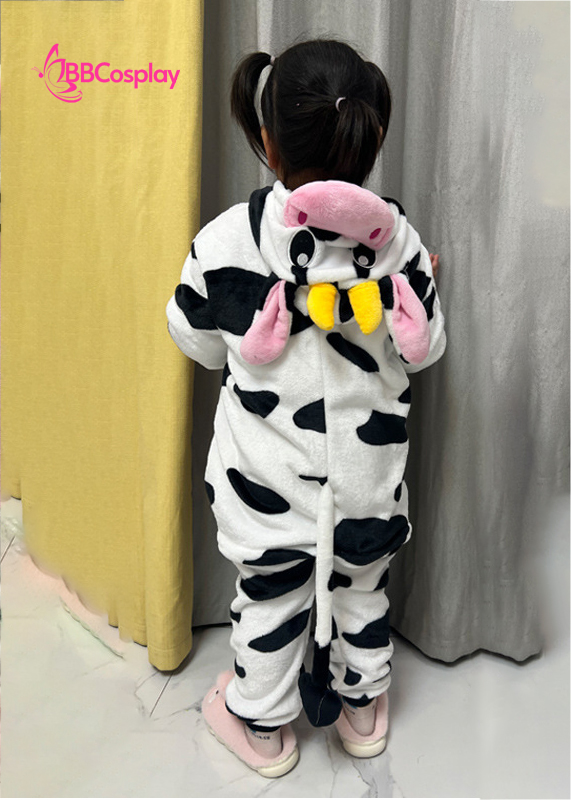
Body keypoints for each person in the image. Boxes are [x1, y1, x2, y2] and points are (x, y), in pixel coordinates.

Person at [166, 38, 446, 779]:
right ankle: (363, 714)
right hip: (366, 476)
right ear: (370, 138)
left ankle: (261, 728)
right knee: (361, 590)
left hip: (264, 476)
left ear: (267, 140)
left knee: (268, 597)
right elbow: (426, 349)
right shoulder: (399, 243)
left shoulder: (226, 238)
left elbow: (195, 341)